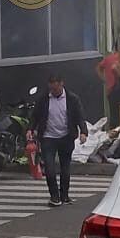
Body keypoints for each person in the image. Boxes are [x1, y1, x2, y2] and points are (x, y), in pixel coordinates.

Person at [31, 74, 88, 207]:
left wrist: (83, 132)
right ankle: (54, 196)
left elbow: (79, 116)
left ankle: (64, 195)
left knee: (65, 168)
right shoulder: (44, 99)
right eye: (51, 89)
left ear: (62, 84)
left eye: (56, 89)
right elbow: (35, 116)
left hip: (66, 136)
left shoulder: (72, 99)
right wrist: (30, 129)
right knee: (50, 168)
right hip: (48, 137)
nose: (53, 92)